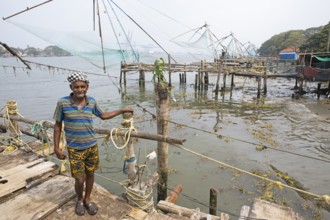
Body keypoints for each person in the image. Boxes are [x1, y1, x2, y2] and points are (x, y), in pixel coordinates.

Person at [53, 72, 133, 216]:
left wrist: (122, 110)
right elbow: (58, 126)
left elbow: (103, 115)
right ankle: (79, 199)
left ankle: (87, 199)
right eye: (76, 86)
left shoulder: (92, 102)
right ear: (71, 87)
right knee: (79, 178)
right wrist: (56, 148)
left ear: (87, 87)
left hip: (91, 146)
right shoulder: (62, 103)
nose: (80, 89)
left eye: (83, 86)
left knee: (90, 174)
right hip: (74, 149)